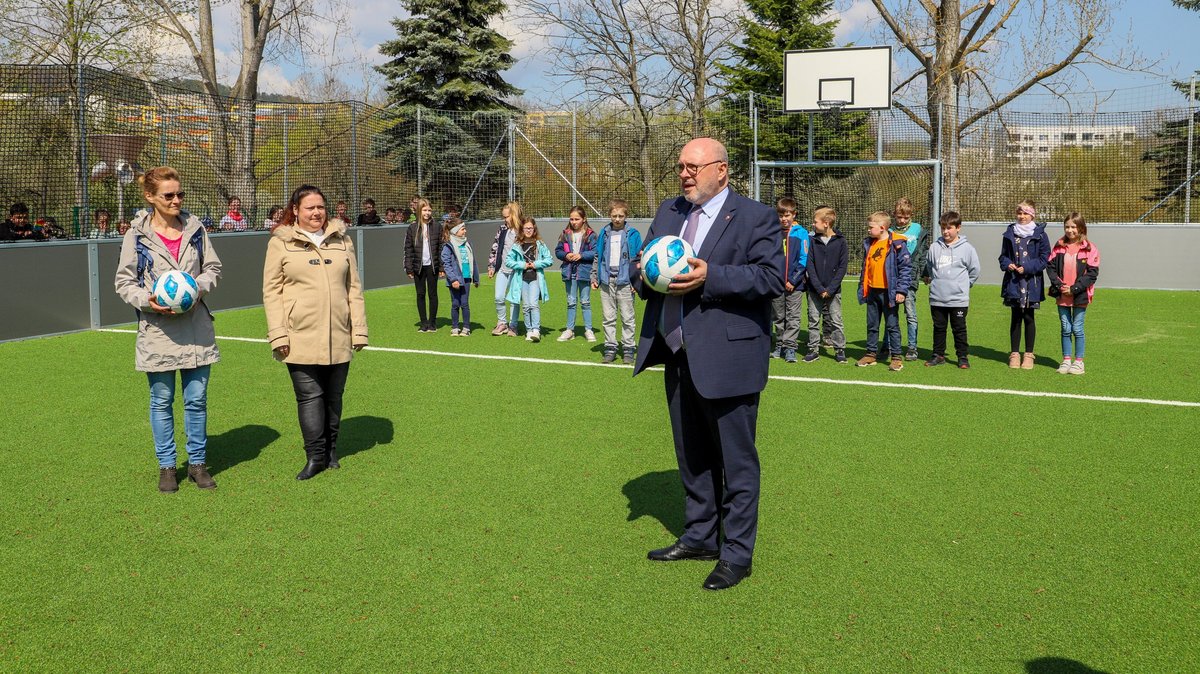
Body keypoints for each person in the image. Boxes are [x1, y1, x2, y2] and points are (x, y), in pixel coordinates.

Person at [633, 137, 784, 591]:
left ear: (721, 170)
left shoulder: (757, 216)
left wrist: (710, 276)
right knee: (692, 455)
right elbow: (645, 269)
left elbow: (772, 278)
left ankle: (737, 553)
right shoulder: (669, 212)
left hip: (729, 358)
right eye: (680, 166)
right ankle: (700, 536)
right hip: (676, 353)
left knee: (736, 462)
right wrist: (644, 272)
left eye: (693, 167)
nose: (684, 174)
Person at [113, 166, 222, 493]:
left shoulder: (196, 229)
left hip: (196, 329)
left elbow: (213, 268)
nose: (176, 200)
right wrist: (148, 299)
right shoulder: (136, 235)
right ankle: (167, 467)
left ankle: (198, 464)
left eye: (180, 194)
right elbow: (124, 282)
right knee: (161, 400)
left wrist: (196, 287)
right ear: (150, 197)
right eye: (168, 195)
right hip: (157, 331)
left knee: (196, 399)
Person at [263, 184, 368, 480]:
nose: (316, 212)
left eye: (320, 206)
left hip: (339, 332)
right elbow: (271, 292)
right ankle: (315, 456)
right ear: (295, 210)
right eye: (309, 207)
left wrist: (358, 329)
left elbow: (354, 288)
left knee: (334, 396)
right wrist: (278, 335)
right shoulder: (280, 243)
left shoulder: (342, 240)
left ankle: (332, 450)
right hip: (299, 334)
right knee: (309, 395)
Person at [856, 211, 913, 371]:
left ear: (882, 228)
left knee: (892, 325)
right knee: (872, 324)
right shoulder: (869, 243)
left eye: (871, 227)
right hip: (872, 291)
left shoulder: (897, 244)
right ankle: (870, 354)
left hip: (890, 292)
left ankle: (896, 357)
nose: (868, 230)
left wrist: (901, 290)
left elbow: (905, 268)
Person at [922, 211, 981, 369]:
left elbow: (975, 270)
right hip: (937, 297)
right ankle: (938, 355)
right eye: (943, 228)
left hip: (958, 299)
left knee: (959, 329)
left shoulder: (967, 249)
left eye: (949, 228)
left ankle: (962, 357)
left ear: (958, 228)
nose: (946, 231)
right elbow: (930, 266)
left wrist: (963, 286)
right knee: (939, 328)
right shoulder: (934, 247)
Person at [1000, 200, 1052, 369]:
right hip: (1013, 282)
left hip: (1032, 283)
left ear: (1032, 215)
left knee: (1029, 317)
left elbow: (1045, 259)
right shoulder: (1010, 233)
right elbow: (1002, 257)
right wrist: (1008, 264)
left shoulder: (1041, 234)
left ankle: (1029, 355)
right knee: (1015, 318)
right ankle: (1014, 354)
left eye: (1025, 213)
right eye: (1019, 213)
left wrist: (1027, 267)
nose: (1022, 216)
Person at [1046, 212, 1100, 375]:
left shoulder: (1090, 248)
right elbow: (1050, 267)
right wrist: (1060, 285)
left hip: (1080, 295)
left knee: (1077, 328)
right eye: (1067, 227)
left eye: (1073, 227)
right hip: (1061, 293)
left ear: (1081, 228)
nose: (1070, 230)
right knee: (1065, 327)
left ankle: (1079, 362)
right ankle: (1066, 360)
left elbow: (1092, 274)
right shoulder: (1059, 246)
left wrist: (1074, 288)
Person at [590, 198, 642, 364]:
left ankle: (628, 349)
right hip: (606, 281)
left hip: (626, 282)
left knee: (627, 317)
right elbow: (598, 256)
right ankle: (610, 347)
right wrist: (595, 276)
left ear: (626, 216)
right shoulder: (604, 233)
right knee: (608, 317)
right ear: (610, 216)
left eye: (620, 216)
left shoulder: (633, 234)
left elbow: (638, 258)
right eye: (614, 216)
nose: (617, 219)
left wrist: (636, 281)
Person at [802, 206, 848, 363]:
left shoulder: (841, 242)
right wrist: (819, 288)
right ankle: (813, 349)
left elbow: (842, 268)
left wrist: (830, 289)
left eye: (815, 222)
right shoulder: (813, 241)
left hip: (833, 291)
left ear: (826, 223)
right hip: (815, 290)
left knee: (836, 320)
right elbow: (810, 265)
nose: (813, 224)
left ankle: (839, 349)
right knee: (813, 320)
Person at [769, 197, 809, 363]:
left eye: (787, 215)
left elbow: (804, 258)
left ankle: (790, 347)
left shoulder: (802, 233)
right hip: (777, 283)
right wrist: (777, 278)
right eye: (780, 215)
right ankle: (779, 345)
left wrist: (793, 280)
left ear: (794, 214)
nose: (784, 219)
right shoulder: (772, 232)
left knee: (793, 316)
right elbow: (769, 258)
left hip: (796, 285)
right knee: (778, 316)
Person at [554, 206, 598, 342]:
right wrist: (567, 255)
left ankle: (588, 330)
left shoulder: (590, 235)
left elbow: (596, 252)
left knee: (585, 301)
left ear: (584, 219)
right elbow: (558, 251)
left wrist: (581, 255)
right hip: (569, 272)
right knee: (571, 302)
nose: (574, 222)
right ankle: (569, 330)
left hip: (584, 272)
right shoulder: (565, 234)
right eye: (571, 219)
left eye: (577, 219)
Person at [505, 218, 552, 342]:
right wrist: (522, 265)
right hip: (522, 279)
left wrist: (536, 264)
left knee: (533, 304)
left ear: (534, 229)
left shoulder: (540, 244)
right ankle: (529, 330)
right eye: (526, 228)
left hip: (536, 278)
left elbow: (549, 259)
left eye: (531, 228)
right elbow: (508, 261)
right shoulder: (517, 245)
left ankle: (536, 330)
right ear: (522, 229)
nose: (528, 230)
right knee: (526, 306)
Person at [403, 197, 444, 332]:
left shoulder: (437, 227)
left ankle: (432, 323)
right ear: (419, 211)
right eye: (425, 210)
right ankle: (423, 322)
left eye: (429, 210)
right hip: (418, 267)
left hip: (432, 266)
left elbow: (441, 248)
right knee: (420, 294)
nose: (427, 213)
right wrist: (409, 268)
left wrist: (442, 267)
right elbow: (408, 249)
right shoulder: (412, 228)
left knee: (433, 294)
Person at [893, 197, 925, 360]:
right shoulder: (890, 231)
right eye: (899, 217)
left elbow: (922, 253)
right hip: (892, 279)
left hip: (910, 278)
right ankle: (889, 344)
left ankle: (912, 347)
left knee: (910, 314)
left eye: (906, 217)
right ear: (895, 215)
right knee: (891, 314)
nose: (902, 220)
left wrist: (925, 272)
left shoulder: (918, 229)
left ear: (911, 215)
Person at [488, 201, 524, 336]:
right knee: (498, 297)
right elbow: (495, 247)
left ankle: (513, 325)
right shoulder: (502, 229)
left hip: (517, 271)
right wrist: (492, 266)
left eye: (506, 217)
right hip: (503, 270)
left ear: (514, 215)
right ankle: (502, 323)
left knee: (514, 300)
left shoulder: (522, 230)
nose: (505, 220)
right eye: (503, 217)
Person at [440, 219, 479, 336]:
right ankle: (455, 326)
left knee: (465, 304)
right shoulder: (448, 246)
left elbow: (473, 262)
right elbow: (446, 264)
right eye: (462, 229)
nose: (465, 231)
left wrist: (475, 278)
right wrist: (453, 279)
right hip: (455, 281)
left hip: (466, 279)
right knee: (455, 303)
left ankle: (466, 327)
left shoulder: (467, 244)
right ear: (455, 231)